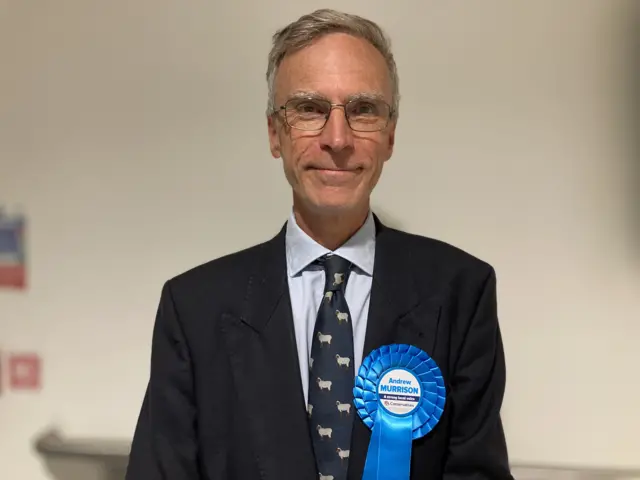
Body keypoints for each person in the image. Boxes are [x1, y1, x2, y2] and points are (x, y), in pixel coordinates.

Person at [125, 8, 514, 480]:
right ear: (274, 133)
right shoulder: (193, 310)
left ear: (390, 135)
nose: (337, 138)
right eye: (309, 109)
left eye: (363, 110)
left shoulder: (461, 292)